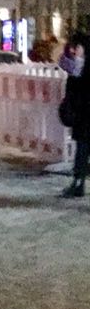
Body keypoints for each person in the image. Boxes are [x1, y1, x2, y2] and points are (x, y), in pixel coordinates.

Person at [58, 33, 90, 197]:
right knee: (82, 148)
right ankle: (78, 182)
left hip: (85, 114)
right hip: (82, 114)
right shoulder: (77, 65)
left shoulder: (81, 67)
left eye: (76, 47)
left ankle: (78, 182)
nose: (73, 50)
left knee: (83, 148)